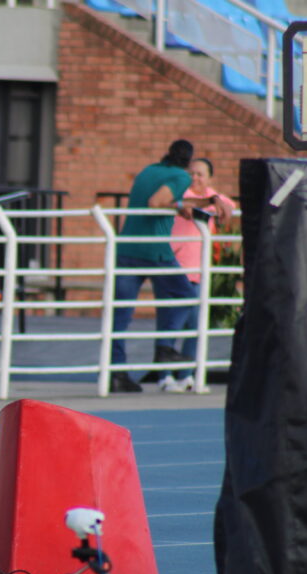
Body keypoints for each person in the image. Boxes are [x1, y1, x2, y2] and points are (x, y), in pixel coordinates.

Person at [110, 139, 232, 393]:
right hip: (155, 250)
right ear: (188, 162)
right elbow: (156, 203)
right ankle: (165, 350)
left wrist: (194, 204)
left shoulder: (148, 171)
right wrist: (181, 205)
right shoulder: (179, 176)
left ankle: (116, 372)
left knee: (120, 314)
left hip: (127, 247)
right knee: (185, 294)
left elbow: (161, 201)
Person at [161, 157, 235, 393]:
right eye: (191, 173)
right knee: (170, 324)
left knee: (195, 326)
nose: (195, 178)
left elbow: (227, 204)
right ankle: (165, 376)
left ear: (209, 178)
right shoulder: (178, 195)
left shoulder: (212, 196)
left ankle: (186, 375)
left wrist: (222, 207)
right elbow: (183, 204)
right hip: (173, 269)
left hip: (198, 273)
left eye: (200, 174)